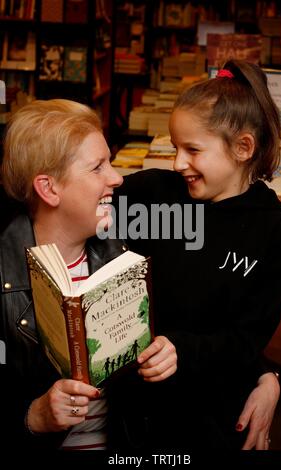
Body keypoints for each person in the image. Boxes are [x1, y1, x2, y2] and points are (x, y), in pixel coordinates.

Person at [113, 60, 281, 449]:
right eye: (175, 147)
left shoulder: (273, 230)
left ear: (244, 147)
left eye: (193, 150)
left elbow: (246, 339)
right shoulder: (157, 195)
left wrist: (184, 347)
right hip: (139, 405)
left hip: (211, 411)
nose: (178, 162)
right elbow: (86, 195)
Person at [0, 98, 177, 451]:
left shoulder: (124, 250)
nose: (117, 178)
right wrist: (32, 417)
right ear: (49, 189)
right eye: (97, 168)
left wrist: (167, 352)